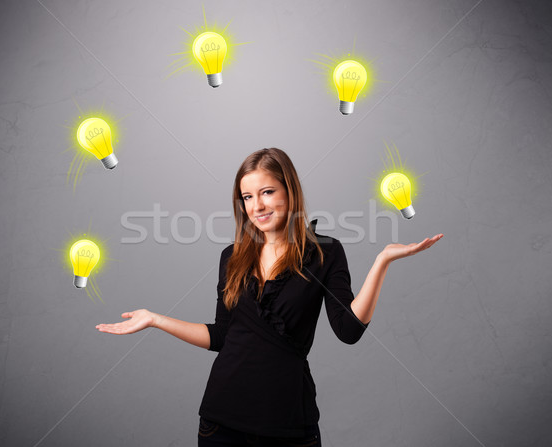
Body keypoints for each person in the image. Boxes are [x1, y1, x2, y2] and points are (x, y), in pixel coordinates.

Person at [96, 147, 443, 446]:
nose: (257, 206)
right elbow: (222, 336)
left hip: (288, 424)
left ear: (289, 191)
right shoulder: (231, 257)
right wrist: (156, 320)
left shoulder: (325, 252)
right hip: (221, 424)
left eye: (267, 192)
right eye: (247, 197)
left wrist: (382, 261)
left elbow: (349, 330)